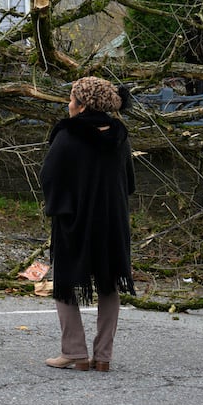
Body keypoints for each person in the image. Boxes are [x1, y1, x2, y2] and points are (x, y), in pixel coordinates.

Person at [39, 76, 135, 372]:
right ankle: (103, 356)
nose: (68, 104)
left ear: (82, 106)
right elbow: (129, 181)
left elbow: (49, 177)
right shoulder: (120, 135)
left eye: (71, 99)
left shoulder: (68, 135)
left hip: (75, 220)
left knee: (65, 284)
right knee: (109, 283)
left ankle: (75, 352)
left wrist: (60, 208)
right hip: (112, 222)